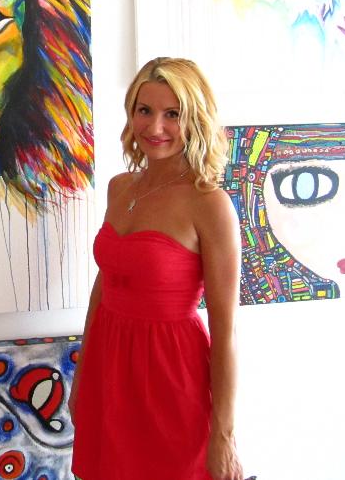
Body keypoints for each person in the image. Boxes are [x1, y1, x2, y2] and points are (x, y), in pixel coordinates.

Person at [69, 57, 243, 480]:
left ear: (195, 119)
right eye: (144, 110)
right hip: (108, 368)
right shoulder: (120, 187)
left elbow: (226, 332)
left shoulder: (209, 203)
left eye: (173, 114)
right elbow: (105, 284)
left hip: (170, 376)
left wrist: (224, 435)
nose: (155, 127)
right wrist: (82, 373)